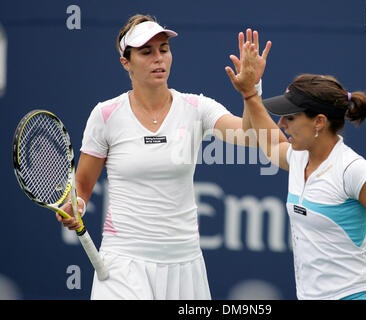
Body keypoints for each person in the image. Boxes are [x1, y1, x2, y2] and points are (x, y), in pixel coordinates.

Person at [56, 15, 271, 300]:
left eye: (164, 49)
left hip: (184, 263)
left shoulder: (197, 107)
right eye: (146, 52)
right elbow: (82, 185)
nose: (158, 58)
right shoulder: (105, 115)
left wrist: (251, 91)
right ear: (125, 62)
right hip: (123, 262)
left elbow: (252, 136)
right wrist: (77, 204)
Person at [225, 31, 366, 300]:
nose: (282, 124)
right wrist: (250, 91)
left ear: (319, 121)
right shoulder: (298, 157)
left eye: (290, 118)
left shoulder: (354, 170)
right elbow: (269, 141)